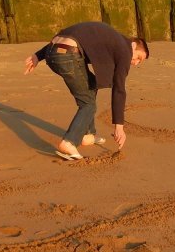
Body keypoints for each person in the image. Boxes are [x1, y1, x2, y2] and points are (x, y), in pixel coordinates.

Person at [24, 21, 149, 160]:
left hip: (52, 52)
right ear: (133, 45)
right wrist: (119, 127)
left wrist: (38, 56)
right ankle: (69, 142)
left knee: (91, 85)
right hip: (68, 56)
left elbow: (71, 36)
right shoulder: (125, 49)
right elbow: (119, 89)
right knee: (88, 104)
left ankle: (87, 135)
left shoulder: (113, 39)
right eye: (138, 57)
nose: (136, 62)